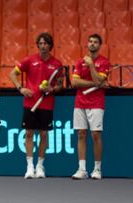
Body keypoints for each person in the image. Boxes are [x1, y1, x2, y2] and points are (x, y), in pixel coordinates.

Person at [9, 32, 63, 179]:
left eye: (45, 43)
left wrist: (51, 89)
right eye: (40, 43)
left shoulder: (57, 64)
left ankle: (40, 165)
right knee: (29, 134)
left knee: (44, 134)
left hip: (47, 104)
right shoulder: (29, 60)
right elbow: (12, 74)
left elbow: (59, 86)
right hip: (30, 102)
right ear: (38, 45)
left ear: (50, 46)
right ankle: (29, 166)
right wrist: (21, 88)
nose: (43, 46)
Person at [71, 34, 110, 180]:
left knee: (95, 135)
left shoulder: (104, 62)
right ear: (87, 44)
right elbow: (75, 83)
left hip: (96, 103)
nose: (92, 44)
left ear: (99, 46)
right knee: (81, 134)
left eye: (95, 42)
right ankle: (82, 170)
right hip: (80, 102)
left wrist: (92, 66)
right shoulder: (80, 62)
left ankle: (97, 169)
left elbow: (99, 78)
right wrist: (96, 84)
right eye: (90, 41)